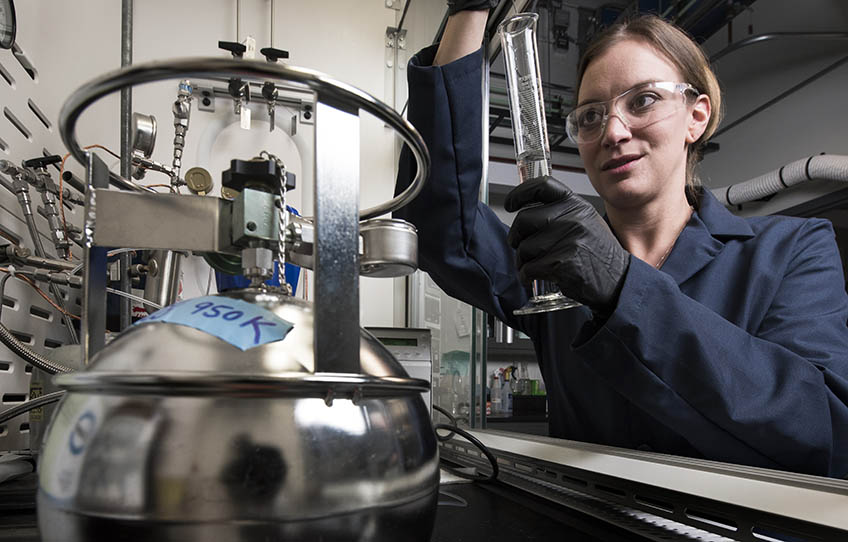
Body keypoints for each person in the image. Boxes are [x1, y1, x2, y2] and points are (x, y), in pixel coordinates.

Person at [394, 2, 848, 478]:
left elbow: (823, 430)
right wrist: (469, 9)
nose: (612, 130)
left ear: (697, 117)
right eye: (590, 115)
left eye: (643, 101)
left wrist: (620, 284)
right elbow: (440, 224)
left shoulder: (791, 249)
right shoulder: (553, 262)